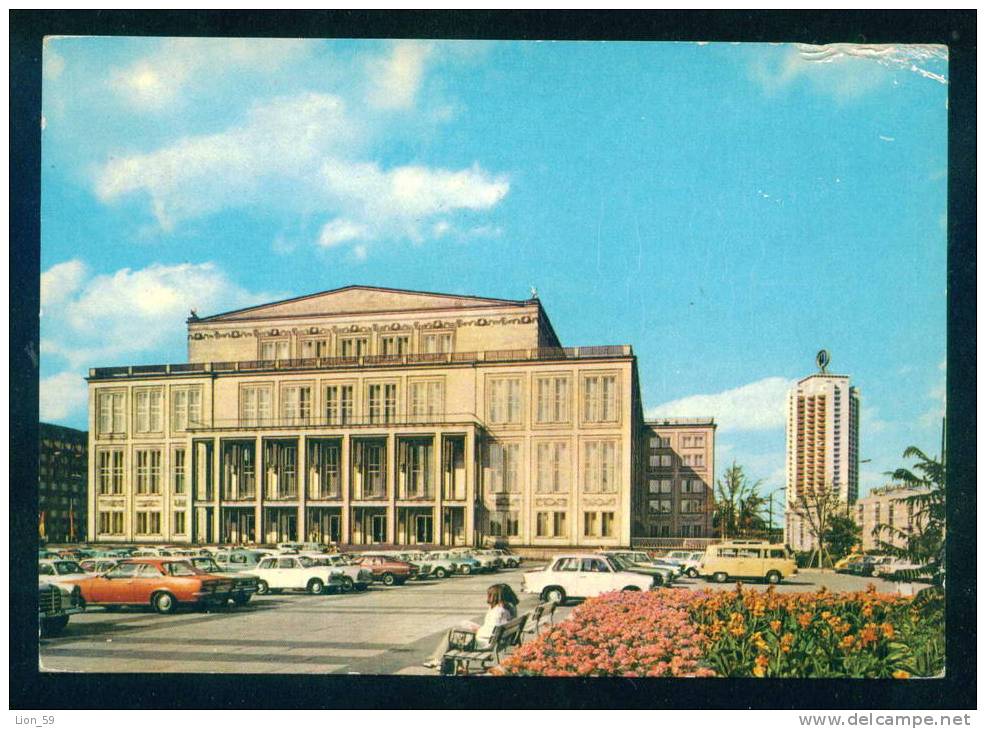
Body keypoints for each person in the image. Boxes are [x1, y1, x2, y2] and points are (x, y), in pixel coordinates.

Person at [422, 584, 518, 670]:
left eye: (489, 595)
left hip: (482, 643)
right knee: (458, 630)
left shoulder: (497, 612)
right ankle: (445, 663)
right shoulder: (505, 609)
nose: (488, 598)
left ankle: (439, 661)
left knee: (453, 633)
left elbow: (489, 631)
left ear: (494, 597)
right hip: (494, 640)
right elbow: (494, 629)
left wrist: (477, 630)